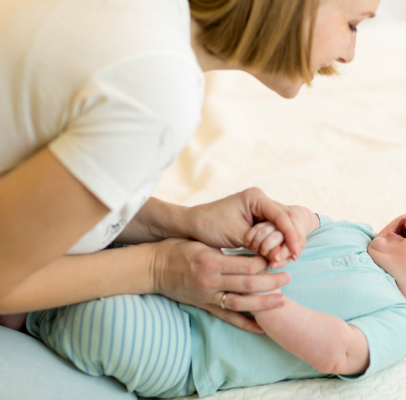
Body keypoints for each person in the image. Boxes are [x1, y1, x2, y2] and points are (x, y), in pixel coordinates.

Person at [0, 0, 381, 333]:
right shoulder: (157, 87)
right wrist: (158, 268)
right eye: (353, 24)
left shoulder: (146, 23)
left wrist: (180, 221)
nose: (350, 54)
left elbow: (30, 198)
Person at [5, 202, 406, 398]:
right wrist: (285, 228)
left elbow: (339, 350)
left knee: (107, 319)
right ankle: (38, 264)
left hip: (190, 347)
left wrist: (267, 302)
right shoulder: (357, 232)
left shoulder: (397, 323)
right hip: (187, 274)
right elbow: (308, 217)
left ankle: (30, 311)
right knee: (111, 229)